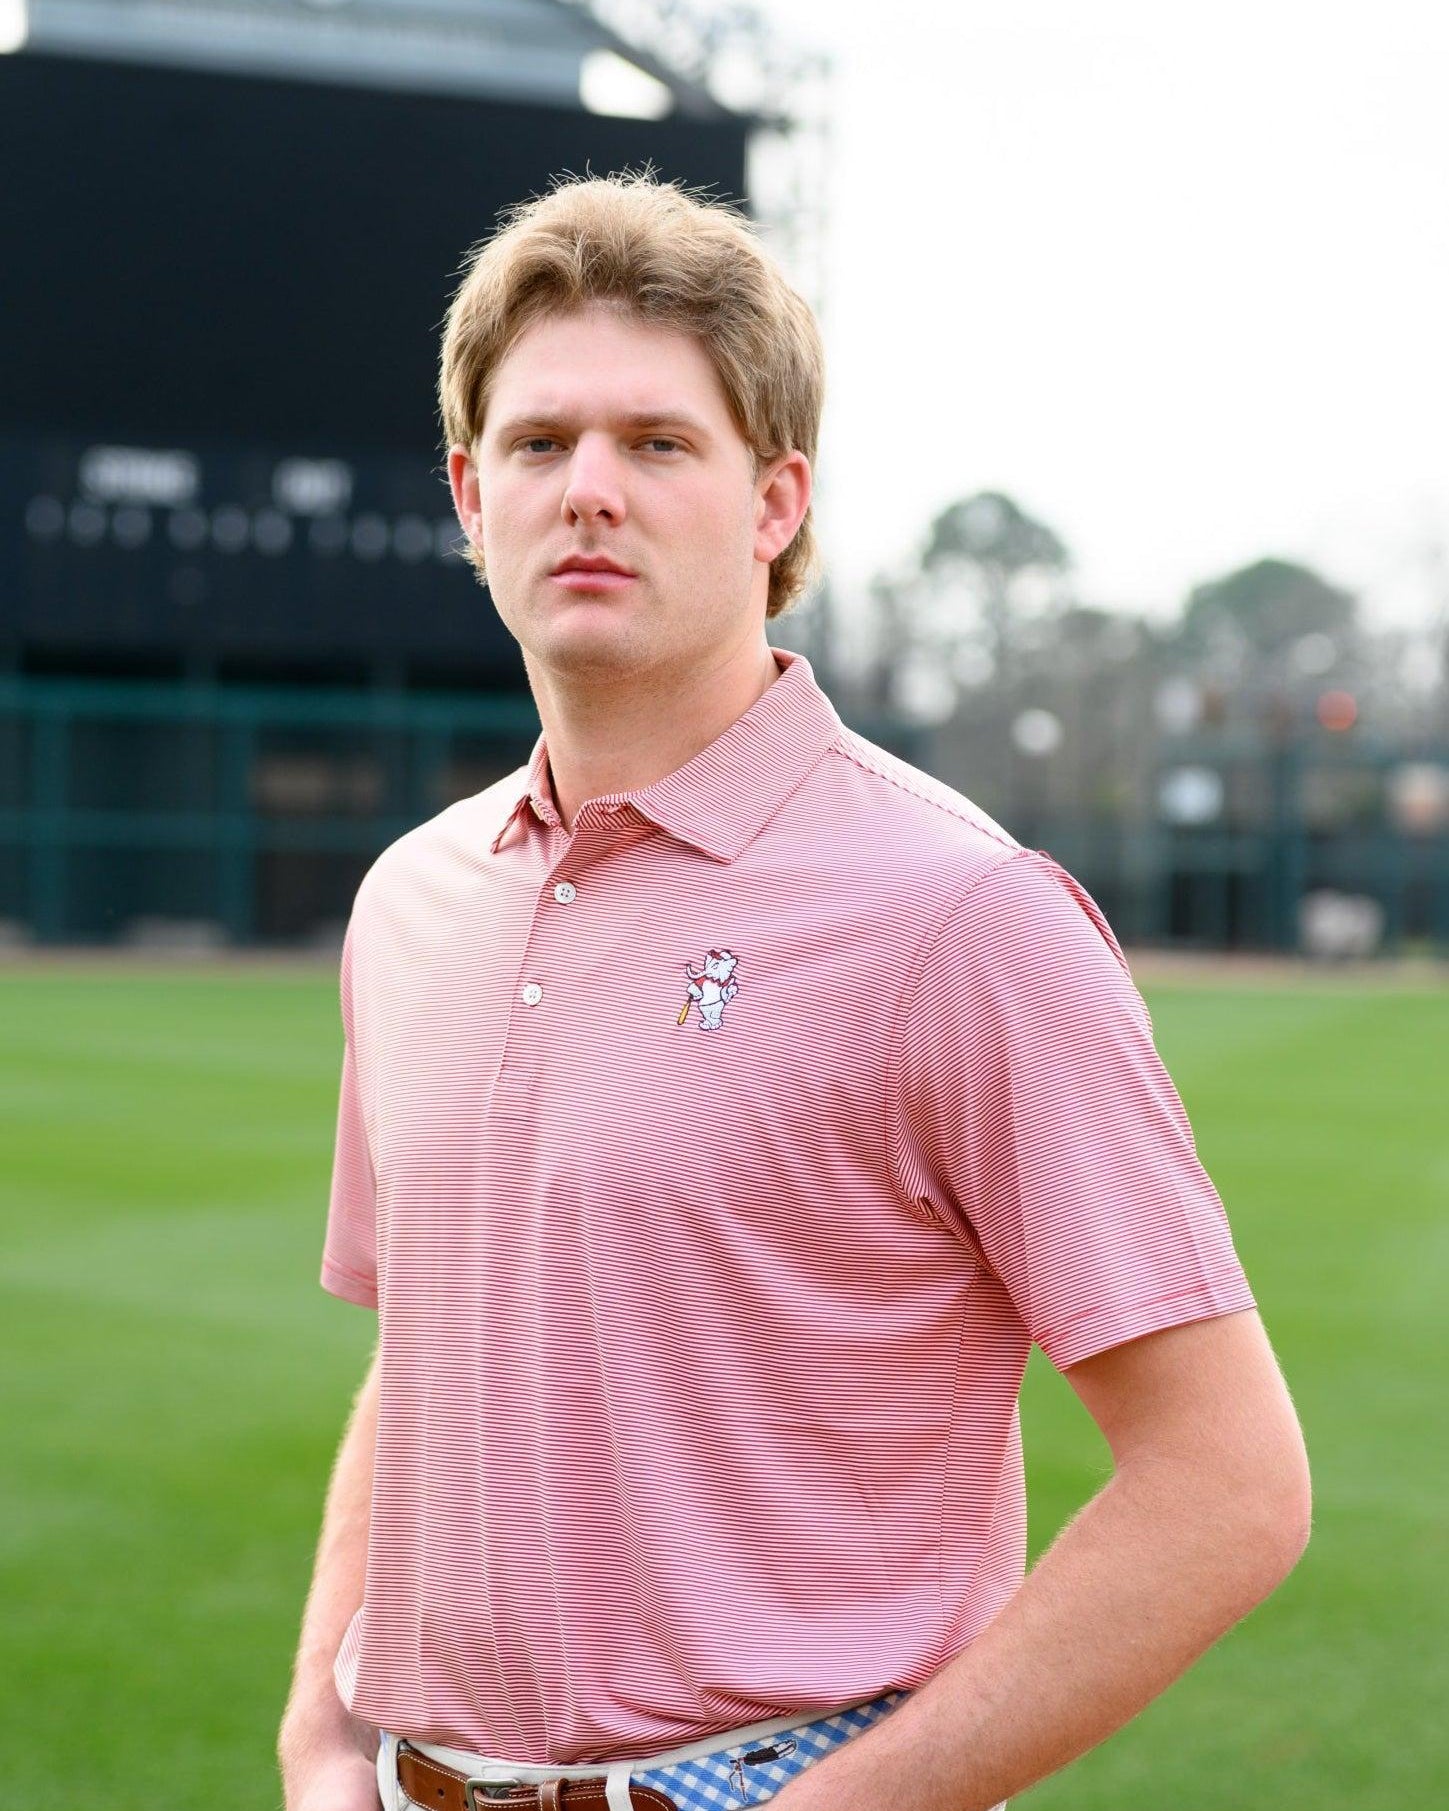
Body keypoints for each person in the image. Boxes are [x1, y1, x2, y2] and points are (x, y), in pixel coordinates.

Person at [277, 172, 1311, 1811]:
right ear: (471, 496)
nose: (588, 490)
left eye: (656, 443)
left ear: (773, 503)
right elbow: (425, 1354)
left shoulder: (957, 915)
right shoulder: (412, 898)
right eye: (538, 445)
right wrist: (319, 1733)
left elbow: (1228, 1485)